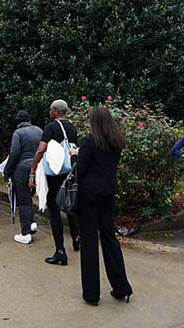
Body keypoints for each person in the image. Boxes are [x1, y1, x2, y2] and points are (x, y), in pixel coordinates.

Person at [76, 106, 134, 304]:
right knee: (109, 238)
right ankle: (121, 287)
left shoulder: (90, 141)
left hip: (88, 195)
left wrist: (75, 156)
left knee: (89, 242)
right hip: (107, 193)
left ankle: (91, 294)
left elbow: (81, 169)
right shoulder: (116, 141)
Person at [30, 99, 80, 265]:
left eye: (51, 109)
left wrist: (33, 170)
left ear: (55, 111)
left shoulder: (51, 127)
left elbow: (41, 149)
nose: (49, 112)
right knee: (69, 206)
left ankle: (60, 251)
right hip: (68, 172)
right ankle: (76, 239)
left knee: (54, 210)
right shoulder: (72, 127)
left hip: (54, 173)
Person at [3, 110, 42, 242]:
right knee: (29, 197)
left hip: (22, 170)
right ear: (29, 120)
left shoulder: (18, 133)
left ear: (17, 122)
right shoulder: (39, 131)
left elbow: (14, 154)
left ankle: (25, 234)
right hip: (37, 169)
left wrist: (7, 172)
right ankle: (31, 223)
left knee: (23, 200)